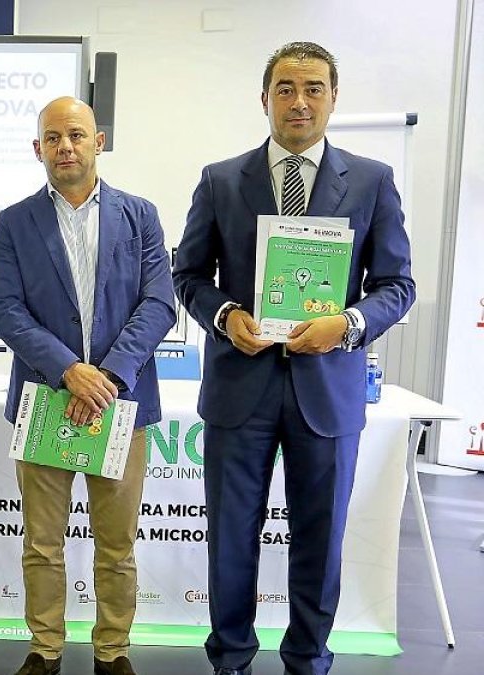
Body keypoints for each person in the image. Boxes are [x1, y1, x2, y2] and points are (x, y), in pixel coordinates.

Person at [172, 42, 416, 675]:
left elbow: (398, 285)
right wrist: (226, 317)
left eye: (313, 88)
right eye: (285, 88)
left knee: (320, 535)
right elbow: (190, 273)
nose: (299, 101)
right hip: (239, 384)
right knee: (230, 536)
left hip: (327, 389)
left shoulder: (371, 180)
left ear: (333, 98)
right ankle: (229, 656)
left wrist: (349, 323)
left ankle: (308, 656)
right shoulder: (222, 179)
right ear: (265, 100)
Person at [0, 97, 175, 675]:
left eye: (76, 135)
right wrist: (69, 368)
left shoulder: (139, 215)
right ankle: (45, 649)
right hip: (47, 399)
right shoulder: (15, 220)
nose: (64, 146)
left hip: (121, 404)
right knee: (42, 544)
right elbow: (6, 308)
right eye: (52, 137)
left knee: (116, 547)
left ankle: (112, 651)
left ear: (99, 141)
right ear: (37, 148)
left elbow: (159, 302)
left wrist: (110, 375)